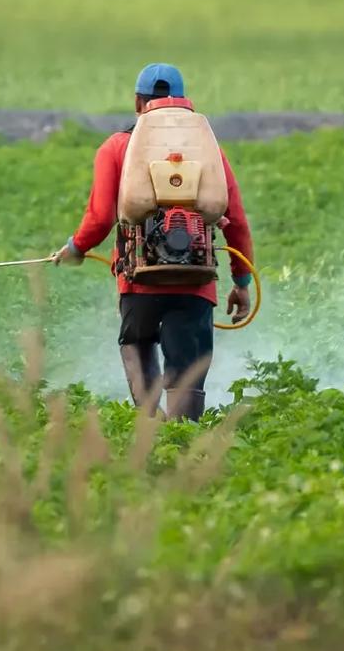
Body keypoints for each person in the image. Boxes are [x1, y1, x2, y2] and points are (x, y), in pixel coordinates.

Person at [52, 63, 255, 422]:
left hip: (138, 281)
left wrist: (76, 248)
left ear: (137, 102)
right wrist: (241, 283)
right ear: (182, 103)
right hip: (195, 282)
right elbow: (234, 219)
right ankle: (184, 441)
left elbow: (100, 219)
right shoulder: (208, 151)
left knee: (137, 343)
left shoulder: (117, 147)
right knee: (186, 369)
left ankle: (151, 426)